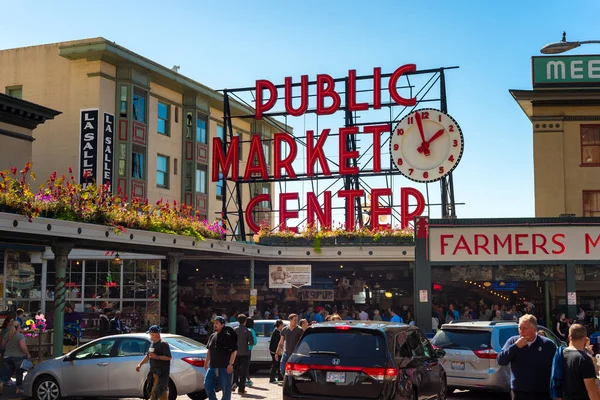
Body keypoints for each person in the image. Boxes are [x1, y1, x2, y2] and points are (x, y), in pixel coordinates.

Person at [497, 314, 556, 400]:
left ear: (534, 329)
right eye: (519, 328)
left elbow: (555, 368)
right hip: (519, 391)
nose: (521, 331)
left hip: (542, 392)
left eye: (524, 328)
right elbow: (501, 361)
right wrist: (515, 346)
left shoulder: (547, 344)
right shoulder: (513, 341)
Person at [558, 324, 600, 400]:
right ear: (585, 338)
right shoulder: (584, 359)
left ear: (569, 337)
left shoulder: (560, 354)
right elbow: (592, 391)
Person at [204, 316, 237, 400]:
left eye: (217, 323)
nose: (215, 325)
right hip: (212, 366)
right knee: (207, 385)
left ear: (222, 325)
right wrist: (206, 362)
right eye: (214, 323)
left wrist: (230, 364)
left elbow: (234, 351)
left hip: (225, 367)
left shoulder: (227, 336)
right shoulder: (212, 336)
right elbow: (209, 351)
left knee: (226, 389)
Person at [136, 325, 172, 400]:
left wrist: (157, 357)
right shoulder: (152, 343)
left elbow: (169, 357)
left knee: (154, 393)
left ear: (156, 334)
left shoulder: (163, 344)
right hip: (153, 372)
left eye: (151, 334)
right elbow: (148, 356)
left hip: (162, 373)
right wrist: (140, 364)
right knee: (162, 393)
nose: (150, 335)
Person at [0, 321, 31, 395]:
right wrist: (28, 354)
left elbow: (3, 345)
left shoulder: (7, 334)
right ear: (18, 327)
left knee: (6, 373)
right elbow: (23, 347)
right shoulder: (20, 336)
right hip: (18, 357)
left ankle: (1, 384)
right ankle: (18, 388)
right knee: (19, 373)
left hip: (7, 357)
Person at [276, 313, 304, 378]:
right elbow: (281, 342)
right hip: (286, 353)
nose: (296, 321)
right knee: (282, 369)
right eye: (295, 320)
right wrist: (277, 352)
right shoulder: (285, 329)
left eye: (297, 320)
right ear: (290, 320)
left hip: (294, 353)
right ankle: (286, 379)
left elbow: (302, 342)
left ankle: (290, 382)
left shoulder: (300, 330)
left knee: (292, 371)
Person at [232, 314, 253, 394]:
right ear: (245, 321)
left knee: (235, 369)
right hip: (245, 353)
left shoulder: (234, 330)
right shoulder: (248, 331)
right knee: (243, 371)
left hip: (235, 353)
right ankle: (241, 388)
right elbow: (251, 342)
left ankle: (234, 383)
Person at [245, 318, 258, 388]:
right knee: (246, 366)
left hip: (239, 350)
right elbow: (255, 342)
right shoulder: (251, 330)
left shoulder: (242, 329)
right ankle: (247, 379)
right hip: (248, 350)